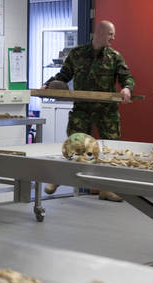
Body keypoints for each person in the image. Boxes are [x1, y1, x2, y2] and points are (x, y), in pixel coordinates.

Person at [44, 20, 135, 202]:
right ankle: (58, 180)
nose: (113, 37)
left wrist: (126, 88)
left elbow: (127, 77)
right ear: (100, 33)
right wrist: (47, 85)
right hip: (82, 108)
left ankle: (106, 189)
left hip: (106, 111)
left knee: (109, 149)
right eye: (110, 34)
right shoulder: (77, 54)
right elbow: (63, 75)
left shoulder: (114, 56)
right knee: (74, 145)